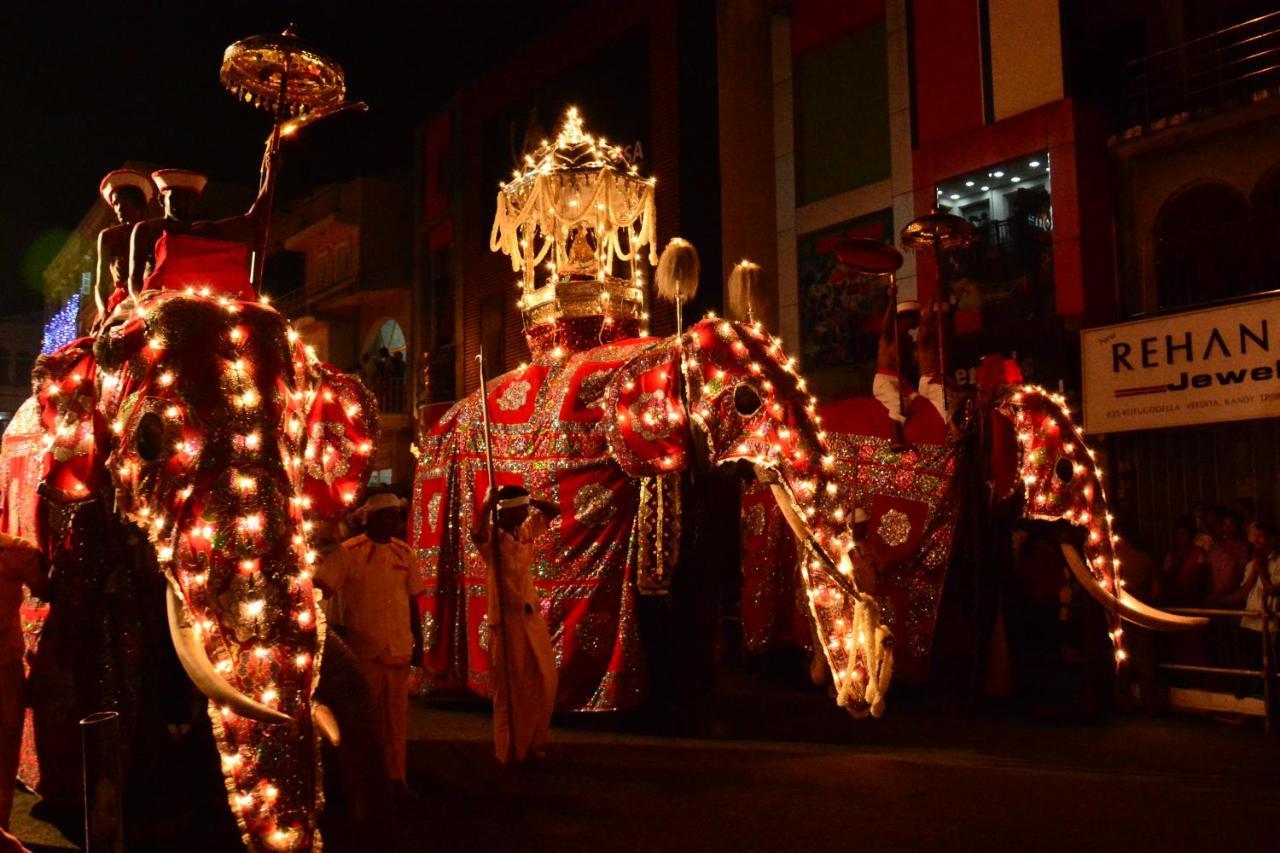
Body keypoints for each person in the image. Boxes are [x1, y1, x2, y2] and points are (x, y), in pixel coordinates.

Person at [314, 493, 423, 803]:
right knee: (362, 722)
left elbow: (413, 601)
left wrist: (419, 643)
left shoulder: (406, 554)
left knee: (396, 722)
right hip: (363, 652)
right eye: (387, 515)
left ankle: (396, 780)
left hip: (398, 648)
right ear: (370, 518)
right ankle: (361, 785)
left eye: (396, 516)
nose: (393, 522)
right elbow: (322, 586)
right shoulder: (348, 553)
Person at [469, 485, 559, 763]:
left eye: (525, 508)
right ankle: (510, 749)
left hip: (530, 615)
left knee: (543, 679)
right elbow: (477, 534)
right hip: (506, 620)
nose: (525, 513)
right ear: (506, 512)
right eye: (519, 509)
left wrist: (530, 499)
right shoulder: (493, 538)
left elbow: (554, 511)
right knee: (510, 687)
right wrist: (487, 505)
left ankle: (533, 740)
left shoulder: (525, 531)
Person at [127, 148, 278, 303]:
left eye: (189, 199)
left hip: (200, 303)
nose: (183, 204)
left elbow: (251, 219)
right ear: (161, 199)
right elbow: (134, 279)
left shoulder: (204, 230)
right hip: (154, 302)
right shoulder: (146, 230)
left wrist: (270, 175)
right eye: (176, 198)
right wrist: (143, 306)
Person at [1, 534, 48, 837]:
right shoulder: (14, 551)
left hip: (6, 662)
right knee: (4, 751)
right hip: (4, 664)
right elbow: (47, 589)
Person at [93, 169, 153, 325]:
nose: (119, 208)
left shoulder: (153, 231)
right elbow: (100, 283)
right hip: (122, 302)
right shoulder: (108, 236)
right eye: (116, 203)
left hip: (151, 294)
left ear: (138, 204)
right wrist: (103, 311)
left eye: (124, 203)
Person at [1238, 521, 1279, 664]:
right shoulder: (1252, 563)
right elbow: (1244, 591)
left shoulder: (1278, 562)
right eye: (1255, 536)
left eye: (1261, 536)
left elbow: (1272, 590)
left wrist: (1261, 569)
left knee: (1272, 664)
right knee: (1253, 663)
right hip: (1251, 620)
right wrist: (1255, 569)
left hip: (1270, 623)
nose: (1256, 541)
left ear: (1272, 539)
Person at [1156, 517, 1209, 605]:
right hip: (1173, 598)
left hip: (1193, 598)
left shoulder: (1199, 552)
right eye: (1178, 534)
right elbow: (1165, 576)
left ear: (1190, 536)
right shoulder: (1171, 554)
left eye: (1183, 534)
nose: (1180, 537)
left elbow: (1201, 576)